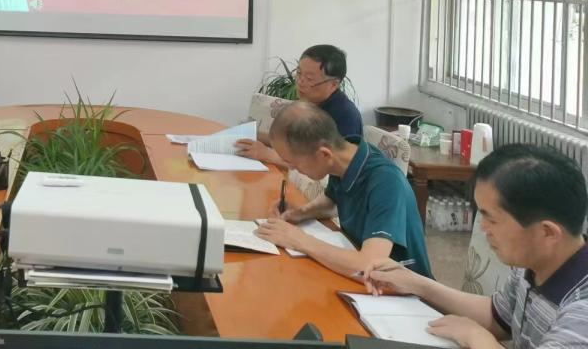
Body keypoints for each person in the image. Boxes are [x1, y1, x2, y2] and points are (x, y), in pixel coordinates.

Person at [364, 144, 588, 349]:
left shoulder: (582, 313)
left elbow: (485, 333)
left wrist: (477, 337)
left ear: (547, 232)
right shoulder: (533, 262)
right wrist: (417, 284)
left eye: (492, 219)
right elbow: (497, 317)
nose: (483, 228)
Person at [255, 101, 431, 279]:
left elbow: (368, 266)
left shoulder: (386, 182)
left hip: (401, 288)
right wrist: (300, 213)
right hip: (357, 265)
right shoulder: (347, 156)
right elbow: (332, 202)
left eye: (293, 162)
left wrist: (298, 240)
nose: (292, 168)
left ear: (324, 154)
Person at [237, 44, 363, 167]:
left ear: (333, 85)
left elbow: (331, 167)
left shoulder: (346, 115)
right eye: (298, 73)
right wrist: (252, 134)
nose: (300, 82)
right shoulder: (307, 103)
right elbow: (293, 143)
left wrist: (268, 154)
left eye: (309, 78)